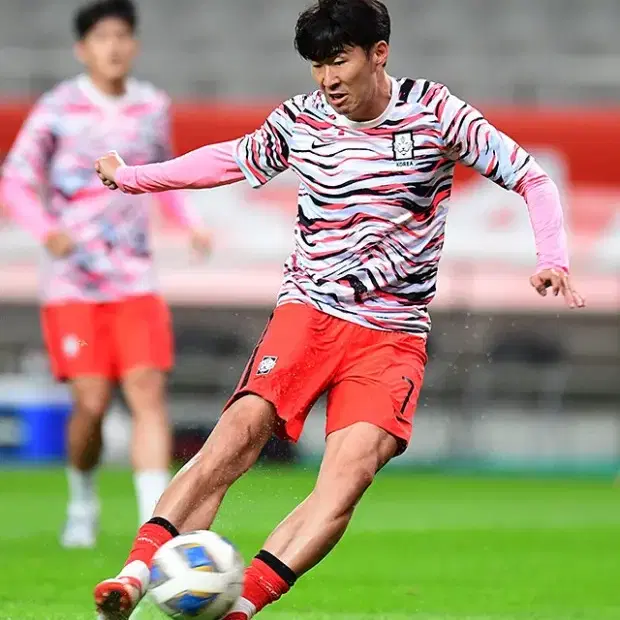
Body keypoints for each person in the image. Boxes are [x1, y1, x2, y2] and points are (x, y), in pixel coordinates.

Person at [92, 0, 585, 617]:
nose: (327, 79)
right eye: (317, 65)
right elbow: (226, 158)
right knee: (238, 436)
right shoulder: (301, 120)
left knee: (345, 483)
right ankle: (135, 574)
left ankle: (243, 608)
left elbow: (531, 177)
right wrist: (136, 177)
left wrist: (554, 256)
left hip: (393, 333)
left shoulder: (435, 114)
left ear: (378, 53)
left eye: (339, 60)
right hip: (310, 313)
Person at [0, 0, 209, 549]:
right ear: (82, 48)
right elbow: (15, 181)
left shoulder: (151, 107)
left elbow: (164, 174)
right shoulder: (58, 109)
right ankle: (83, 499)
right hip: (73, 284)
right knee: (90, 404)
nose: (113, 47)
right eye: (101, 38)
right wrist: (46, 229)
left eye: (122, 36)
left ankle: (154, 526)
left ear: (134, 45)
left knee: (147, 393)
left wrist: (190, 223)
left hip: (136, 280)